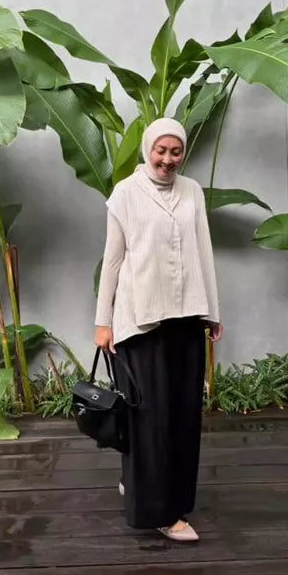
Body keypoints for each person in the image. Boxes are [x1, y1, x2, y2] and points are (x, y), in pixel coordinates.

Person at [94, 117, 223, 542]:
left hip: (186, 319)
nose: (167, 160)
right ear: (147, 148)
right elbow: (112, 261)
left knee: (182, 418)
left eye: (175, 152)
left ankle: (158, 490)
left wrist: (212, 312)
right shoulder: (125, 194)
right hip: (140, 321)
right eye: (160, 150)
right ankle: (162, 513)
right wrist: (103, 321)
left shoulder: (192, 192)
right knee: (150, 418)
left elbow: (203, 250)